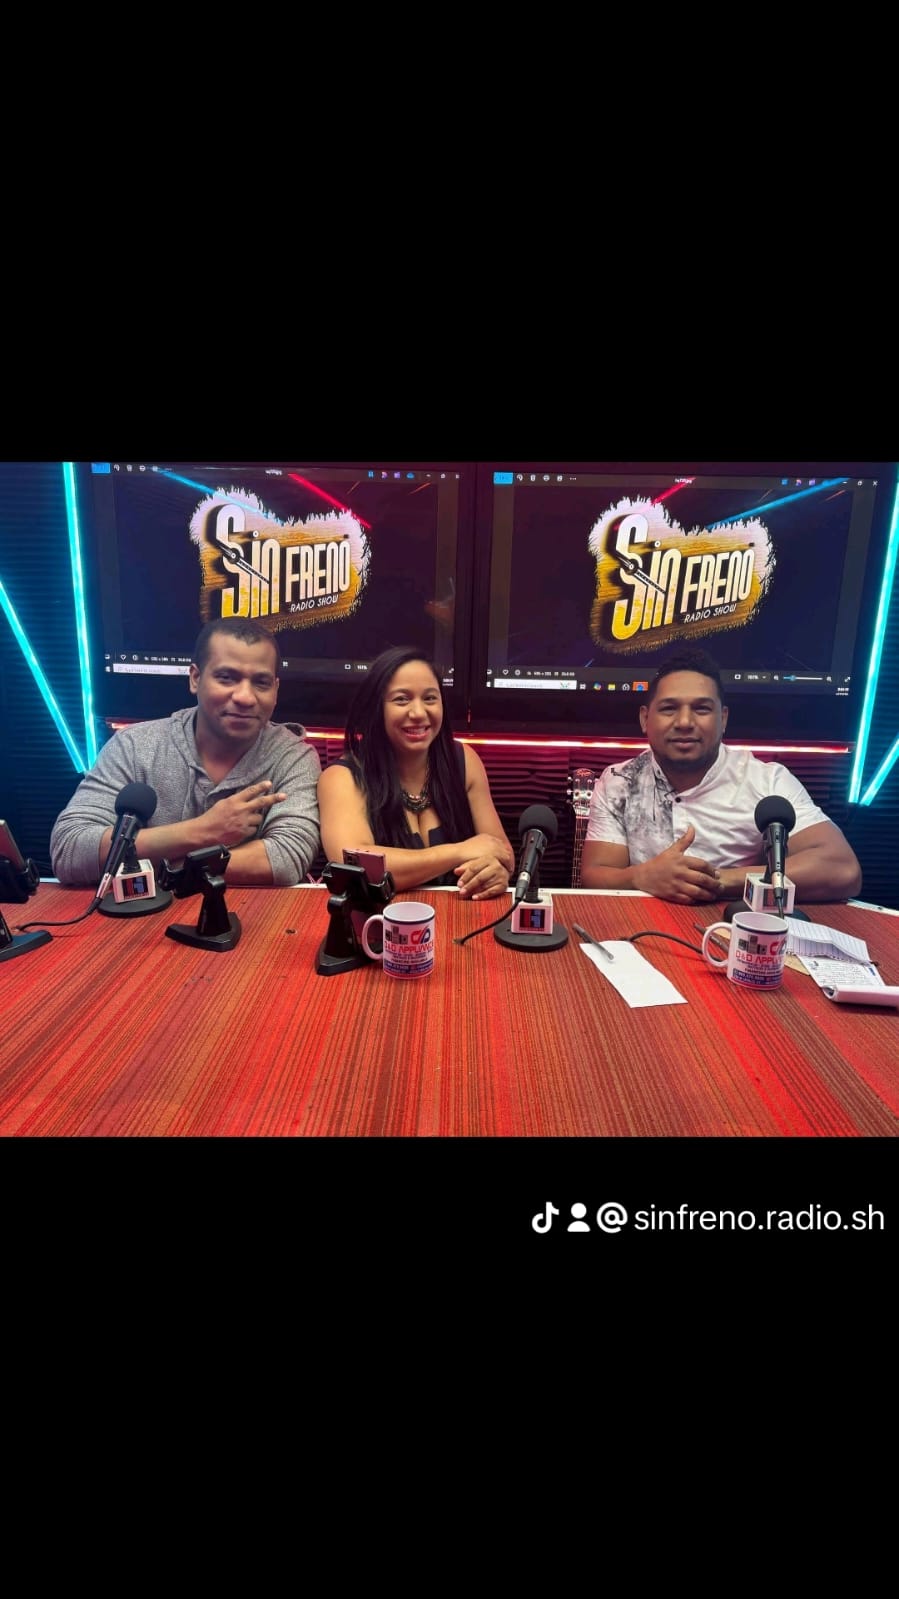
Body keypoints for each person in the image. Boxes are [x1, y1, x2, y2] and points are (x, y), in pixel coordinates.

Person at [50, 617, 321, 888]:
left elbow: (286, 859)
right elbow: (70, 848)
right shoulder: (134, 745)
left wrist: (168, 866)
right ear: (195, 678)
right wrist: (204, 831)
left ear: (275, 689)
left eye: (261, 683)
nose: (245, 697)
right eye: (227, 678)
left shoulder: (293, 756)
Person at [580, 646, 862, 905]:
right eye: (669, 708)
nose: (685, 722)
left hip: (736, 927)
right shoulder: (618, 781)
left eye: (701, 709)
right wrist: (642, 877)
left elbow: (842, 869)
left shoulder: (768, 781)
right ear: (645, 719)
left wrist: (717, 879)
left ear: (723, 719)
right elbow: (595, 875)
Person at [317, 646, 515, 898]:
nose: (419, 713)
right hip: (382, 918)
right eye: (402, 699)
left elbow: (501, 853)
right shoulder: (342, 777)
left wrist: (496, 872)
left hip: (464, 912)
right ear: (375, 708)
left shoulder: (464, 761)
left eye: (430, 698)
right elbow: (356, 867)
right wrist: (460, 852)